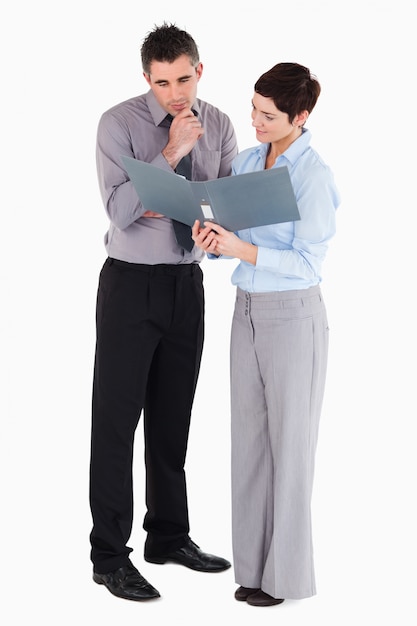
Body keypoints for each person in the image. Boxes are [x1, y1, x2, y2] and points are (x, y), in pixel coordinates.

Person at [89, 22, 238, 602]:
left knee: (173, 418)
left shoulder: (221, 124)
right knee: (116, 422)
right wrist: (171, 152)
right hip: (129, 287)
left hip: (186, 283)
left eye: (184, 79)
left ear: (199, 71)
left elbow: (219, 205)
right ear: (146, 79)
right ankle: (108, 556)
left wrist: (202, 216)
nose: (175, 94)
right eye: (162, 82)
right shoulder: (118, 124)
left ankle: (169, 536)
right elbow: (122, 209)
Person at [192, 62, 340, 607]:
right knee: (249, 444)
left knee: (290, 449)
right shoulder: (252, 160)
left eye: (268, 115)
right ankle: (253, 569)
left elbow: (309, 263)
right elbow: (233, 234)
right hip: (246, 310)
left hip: (292, 316)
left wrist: (243, 250)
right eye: (253, 108)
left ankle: (287, 579)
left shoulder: (313, 175)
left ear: (300, 117)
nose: (254, 121)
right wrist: (211, 237)